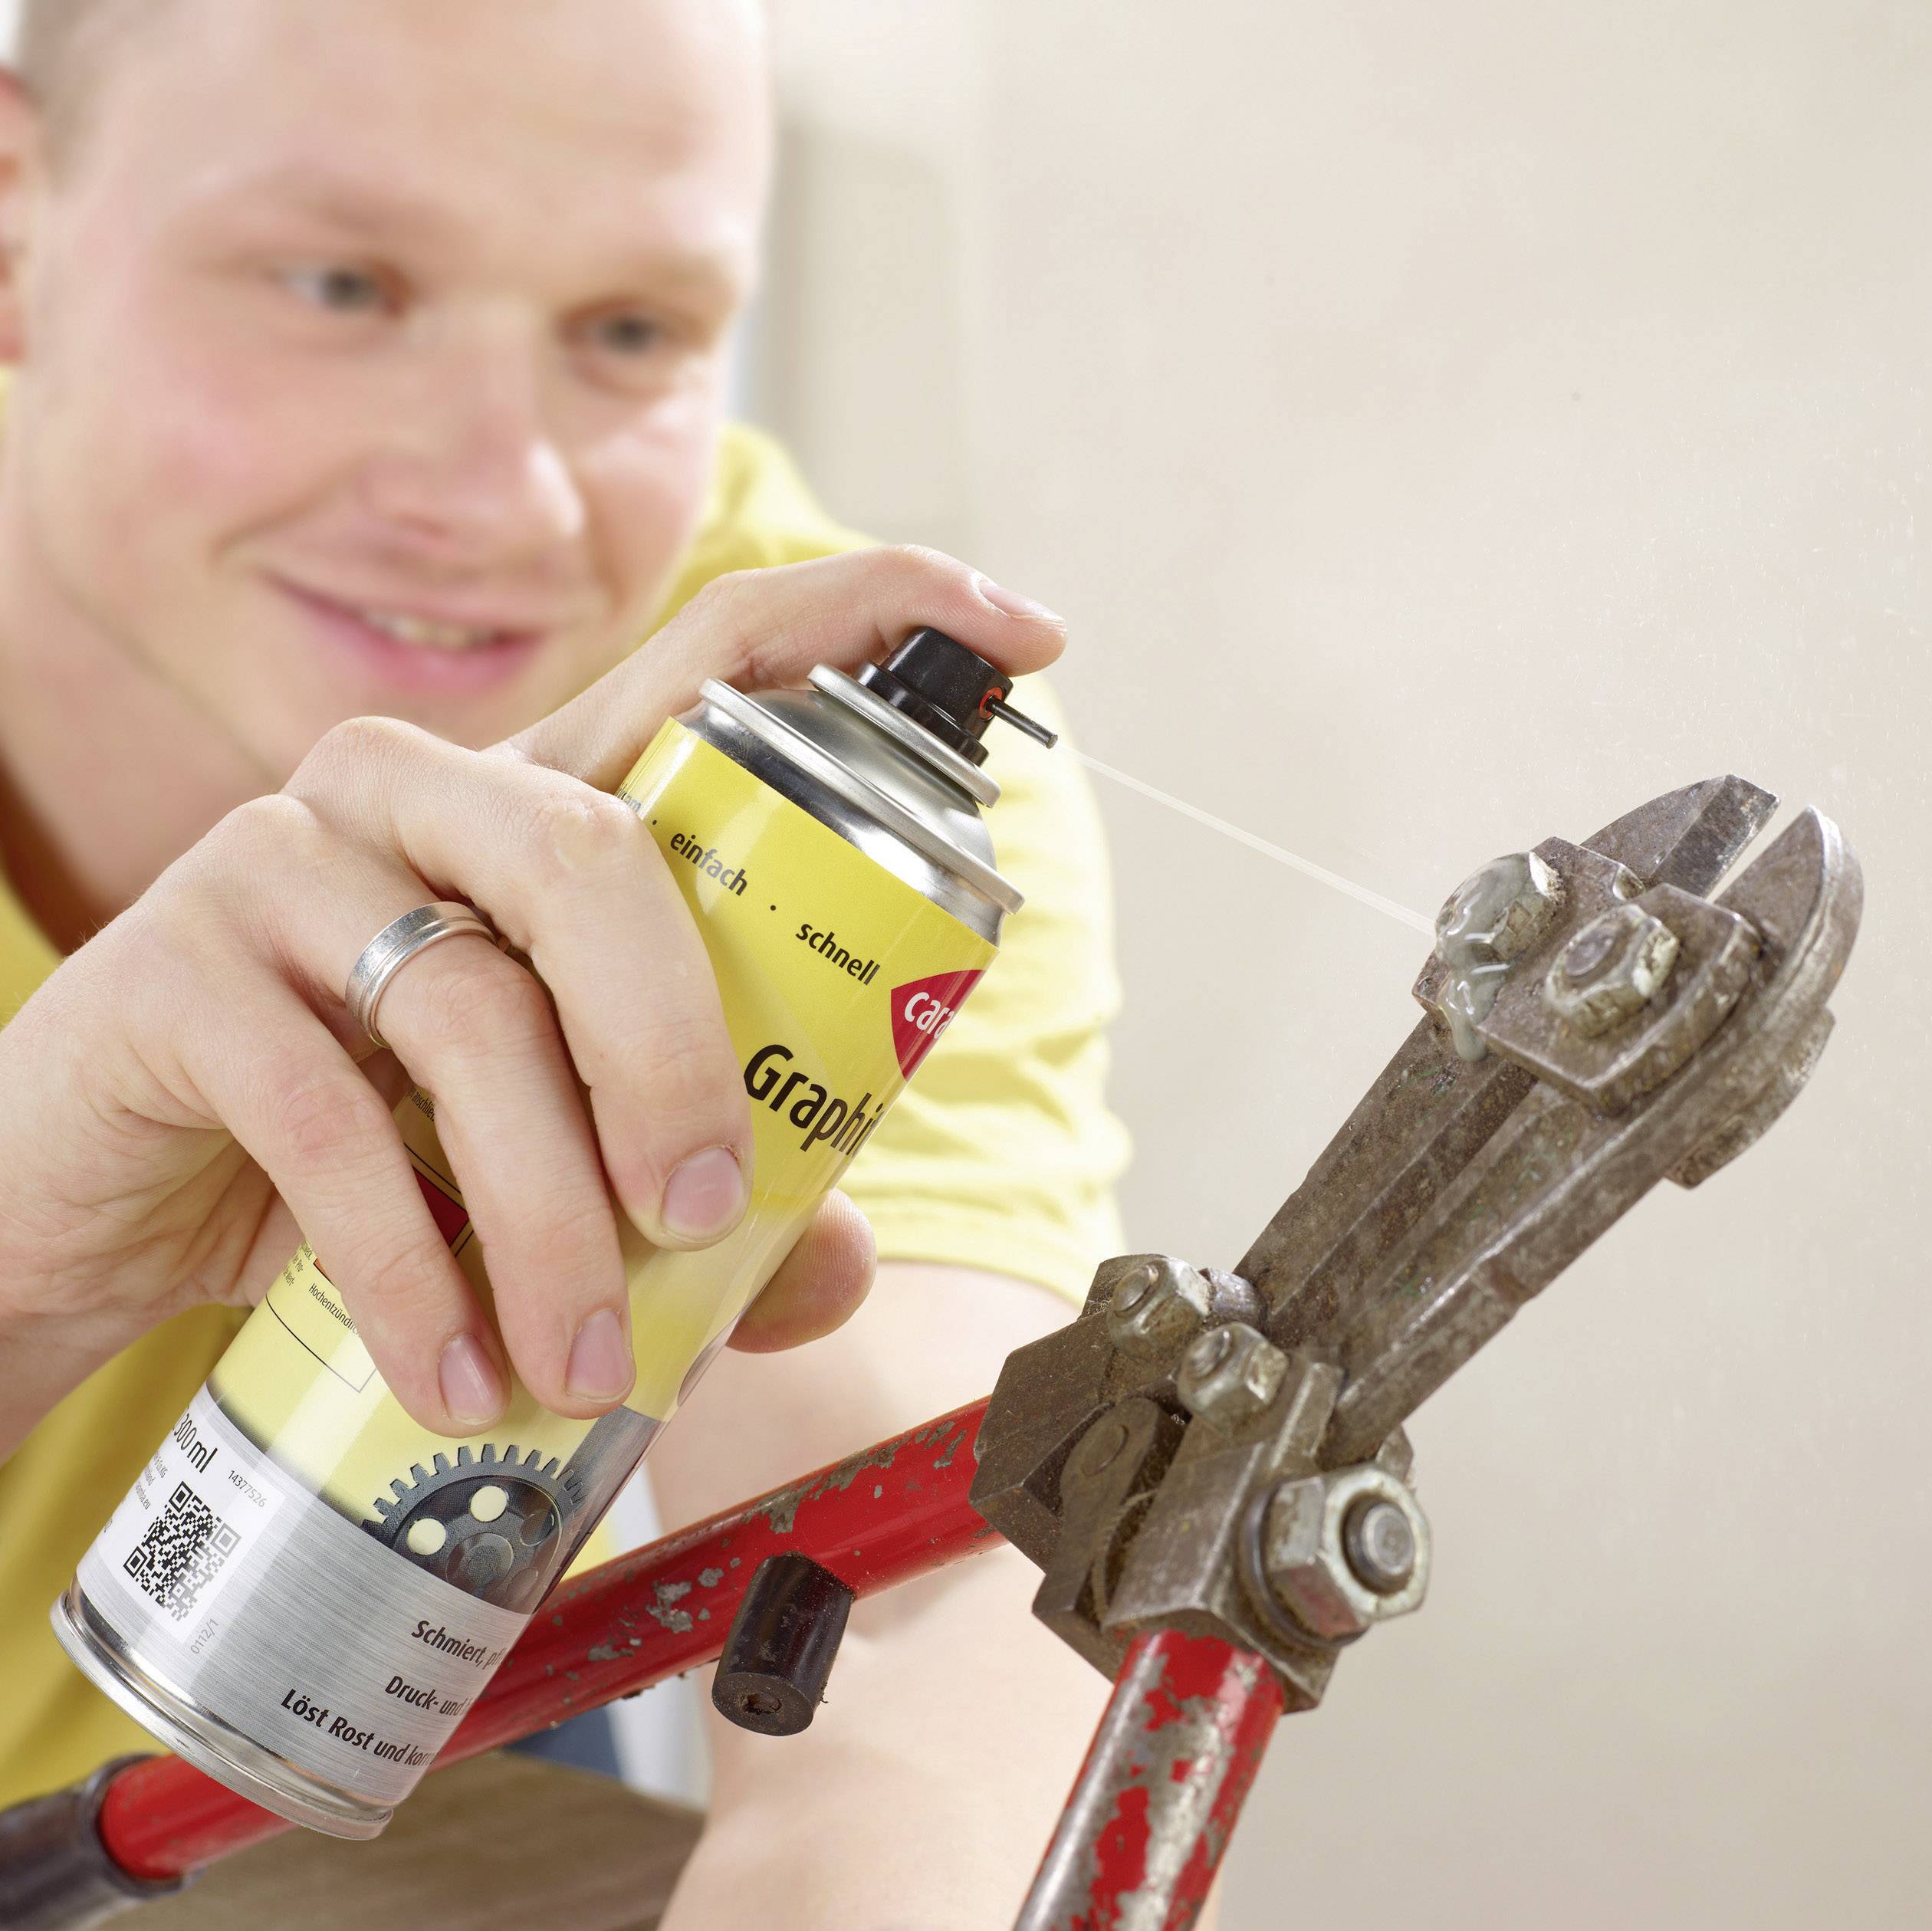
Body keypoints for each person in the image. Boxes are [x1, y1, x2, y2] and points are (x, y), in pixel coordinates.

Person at [0, 0, 1129, 1920]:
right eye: (343, 284)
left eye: (632, 332)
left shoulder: (800, 747)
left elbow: (921, 1651)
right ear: (16, 218)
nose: (503, 499)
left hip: (289, 1818)